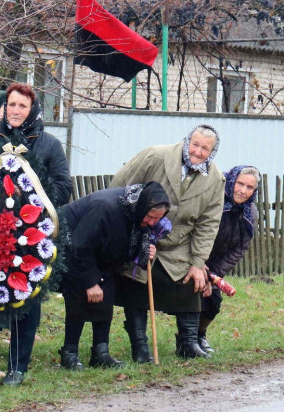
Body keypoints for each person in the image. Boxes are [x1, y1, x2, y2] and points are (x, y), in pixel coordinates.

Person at [0, 82, 73, 386]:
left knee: (25, 298)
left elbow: (63, 187)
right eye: (11, 105)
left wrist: (30, 192)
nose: (16, 110)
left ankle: (16, 368)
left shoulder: (48, 144)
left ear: (33, 109)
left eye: (22, 105)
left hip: (31, 235)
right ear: (4, 108)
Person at [110, 124, 225, 361]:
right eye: (195, 144)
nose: (198, 152)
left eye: (205, 148)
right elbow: (120, 187)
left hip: (180, 242)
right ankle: (140, 347)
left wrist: (198, 261)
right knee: (136, 281)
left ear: (212, 152)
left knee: (191, 279)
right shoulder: (156, 156)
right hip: (141, 231)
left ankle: (188, 343)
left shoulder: (215, 179)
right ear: (186, 141)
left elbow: (208, 224)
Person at [58, 182, 171, 370]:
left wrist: (145, 252)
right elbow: (79, 245)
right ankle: (70, 353)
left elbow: (128, 247)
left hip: (102, 253)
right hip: (72, 244)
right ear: (143, 207)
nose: (152, 223)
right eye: (150, 217)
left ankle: (101, 353)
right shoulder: (106, 208)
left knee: (106, 290)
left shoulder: (138, 215)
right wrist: (90, 282)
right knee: (80, 294)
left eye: (156, 220)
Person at [199, 165, 260, 354]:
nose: (243, 190)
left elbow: (240, 248)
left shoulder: (250, 213)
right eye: (240, 184)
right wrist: (199, 265)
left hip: (214, 266)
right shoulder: (212, 200)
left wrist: (213, 275)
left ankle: (199, 335)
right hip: (192, 259)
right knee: (193, 297)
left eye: (249, 187)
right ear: (231, 181)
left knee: (213, 301)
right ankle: (185, 340)